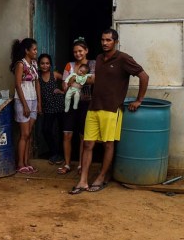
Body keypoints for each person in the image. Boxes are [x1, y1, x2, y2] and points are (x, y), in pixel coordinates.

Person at [70, 28, 149, 194]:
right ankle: (83, 180)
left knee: (108, 144)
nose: (105, 43)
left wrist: (139, 100)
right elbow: (100, 79)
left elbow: (144, 76)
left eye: (108, 40)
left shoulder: (124, 59)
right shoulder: (99, 58)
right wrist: (80, 80)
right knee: (88, 144)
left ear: (115, 41)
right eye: (103, 40)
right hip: (94, 107)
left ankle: (101, 177)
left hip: (111, 109)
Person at [57, 38, 96, 175]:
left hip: (86, 104)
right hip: (70, 103)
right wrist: (80, 80)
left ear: (86, 51)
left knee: (82, 136)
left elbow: (94, 80)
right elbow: (64, 84)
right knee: (67, 134)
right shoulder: (70, 65)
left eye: (80, 51)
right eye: (75, 52)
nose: (78, 54)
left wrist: (74, 79)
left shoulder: (93, 64)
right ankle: (67, 164)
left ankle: (81, 165)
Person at [9, 38, 42, 174]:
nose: (36, 51)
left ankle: (27, 162)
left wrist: (39, 102)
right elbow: (17, 85)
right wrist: (25, 105)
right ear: (26, 51)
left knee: (29, 134)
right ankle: (20, 164)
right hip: (23, 101)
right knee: (25, 134)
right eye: (34, 49)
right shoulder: (20, 64)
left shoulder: (33, 64)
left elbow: (37, 83)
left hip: (33, 99)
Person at [38, 54, 65, 165]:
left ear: (50, 64)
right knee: (46, 130)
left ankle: (61, 155)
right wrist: (39, 105)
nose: (45, 65)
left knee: (61, 131)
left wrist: (63, 91)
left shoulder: (54, 75)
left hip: (59, 105)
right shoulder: (37, 76)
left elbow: (69, 80)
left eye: (47, 63)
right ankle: (55, 153)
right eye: (42, 63)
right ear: (39, 64)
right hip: (48, 107)